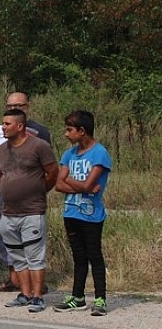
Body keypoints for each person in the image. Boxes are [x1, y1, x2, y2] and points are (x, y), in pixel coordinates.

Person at [0, 109, 58, 312]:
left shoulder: (39, 146)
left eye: (8, 124)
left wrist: (38, 189)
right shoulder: (1, 150)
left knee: (35, 256)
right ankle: (25, 294)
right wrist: (10, 186)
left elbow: (52, 172)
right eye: (3, 123)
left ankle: (38, 296)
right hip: (8, 212)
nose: (3, 127)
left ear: (20, 126)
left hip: (32, 211)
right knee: (17, 256)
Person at [53, 110, 111, 316]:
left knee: (94, 255)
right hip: (71, 212)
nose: (66, 134)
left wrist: (72, 181)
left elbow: (89, 184)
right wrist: (80, 185)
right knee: (78, 256)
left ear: (82, 131)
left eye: (70, 130)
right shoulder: (68, 154)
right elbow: (58, 185)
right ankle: (77, 297)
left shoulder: (99, 153)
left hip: (91, 214)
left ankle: (100, 298)